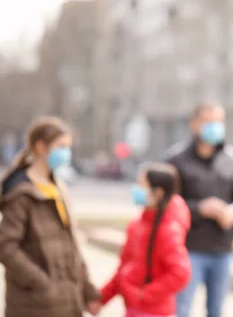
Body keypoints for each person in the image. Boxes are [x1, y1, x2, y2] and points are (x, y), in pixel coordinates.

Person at [0, 116, 102, 317]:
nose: (66, 153)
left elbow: (70, 244)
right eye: (61, 146)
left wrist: (88, 289)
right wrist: (41, 282)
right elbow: (6, 246)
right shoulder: (22, 192)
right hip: (35, 303)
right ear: (41, 147)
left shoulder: (57, 188)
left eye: (68, 147)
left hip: (65, 300)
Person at [167, 103, 233, 317]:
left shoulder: (232, 159)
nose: (215, 127)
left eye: (219, 121)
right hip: (188, 249)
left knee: (217, 311)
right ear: (194, 124)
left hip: (223, 250)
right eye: (208, 121)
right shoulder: (176, 160)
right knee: (180, 310)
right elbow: (166, 203)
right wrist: (199, 208)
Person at [101, 162, 192, 317]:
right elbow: (125, 267)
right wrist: (102, 298)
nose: (136, 188)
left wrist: (144, 295)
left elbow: (180, 273)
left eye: (141, 184)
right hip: (134, 309)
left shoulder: (168, 230)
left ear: (158, 193)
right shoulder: (138, 225)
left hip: (155, 311)